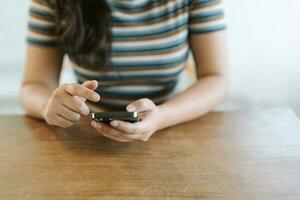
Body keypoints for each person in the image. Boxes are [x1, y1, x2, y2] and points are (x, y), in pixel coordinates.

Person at [21, 0, 229, 142]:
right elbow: (34, 85)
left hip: (172, 128)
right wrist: (46, 106)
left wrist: (163, 117)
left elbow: (216, 78)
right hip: (89, 135)